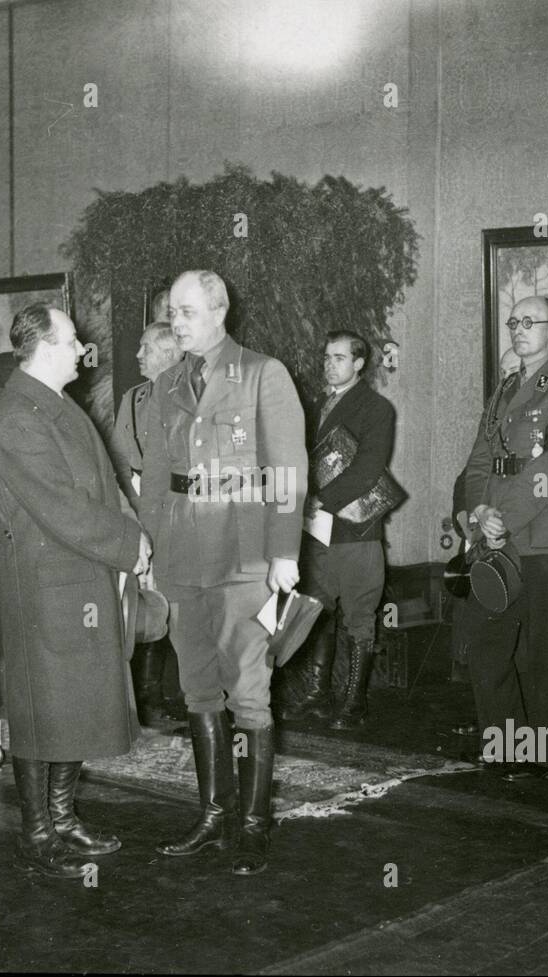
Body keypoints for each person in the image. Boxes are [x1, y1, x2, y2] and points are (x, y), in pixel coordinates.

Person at [139, 270, 307, 874]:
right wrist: (147, 549)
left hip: (244, 552)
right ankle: (214, 816)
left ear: (219, 309)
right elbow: (156, 477)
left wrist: (285, 554)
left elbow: (288, 471)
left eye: (186, 312)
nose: (176, 322)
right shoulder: (165, 385)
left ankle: (255, 824)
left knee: (250, 692)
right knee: (198, 686)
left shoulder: (264, 373)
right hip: (182, 552)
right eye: (171, 313)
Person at [0, 304, 150, 879]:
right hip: (47, 584)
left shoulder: (58, 406)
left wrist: (135, 535)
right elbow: (61, 507)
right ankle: (36, 832)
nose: (83, 347)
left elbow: (106, 484)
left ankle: (63, 816)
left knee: (71, 704)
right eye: (73, 338)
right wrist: (130, 546)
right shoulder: (18, 418)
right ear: (45, 347)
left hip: (82, 575)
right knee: (39, 708)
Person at [457, 296, 548, 779]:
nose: (518, 329)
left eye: (529, 322)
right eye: (513, 322)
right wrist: (478, 510)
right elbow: (478, 459)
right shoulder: (506, 387)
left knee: (547, 650)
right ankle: (507, 745)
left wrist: (503, 517)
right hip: (498, 531)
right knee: (488, 642)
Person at [280, 329, 397, 731]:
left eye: (340, 358)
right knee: (315, 610)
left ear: (360, 363)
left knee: (360, 616)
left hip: (354, 529)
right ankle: (316, 695)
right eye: (327, 357)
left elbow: (368, 469)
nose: (330, 364)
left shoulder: (377, 408)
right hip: (316, 531)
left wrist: (319, 500)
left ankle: (354, 702)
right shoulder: (313, 407)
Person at [111, 321, 186, 726]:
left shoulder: (191, 395)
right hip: (143, 515)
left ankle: (185, 692)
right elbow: (121, 459)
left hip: (182, 516)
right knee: (149, 599)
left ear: (169, 352)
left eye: (145, 348)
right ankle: (149, 695)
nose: (138, 355)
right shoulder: (134, 398)